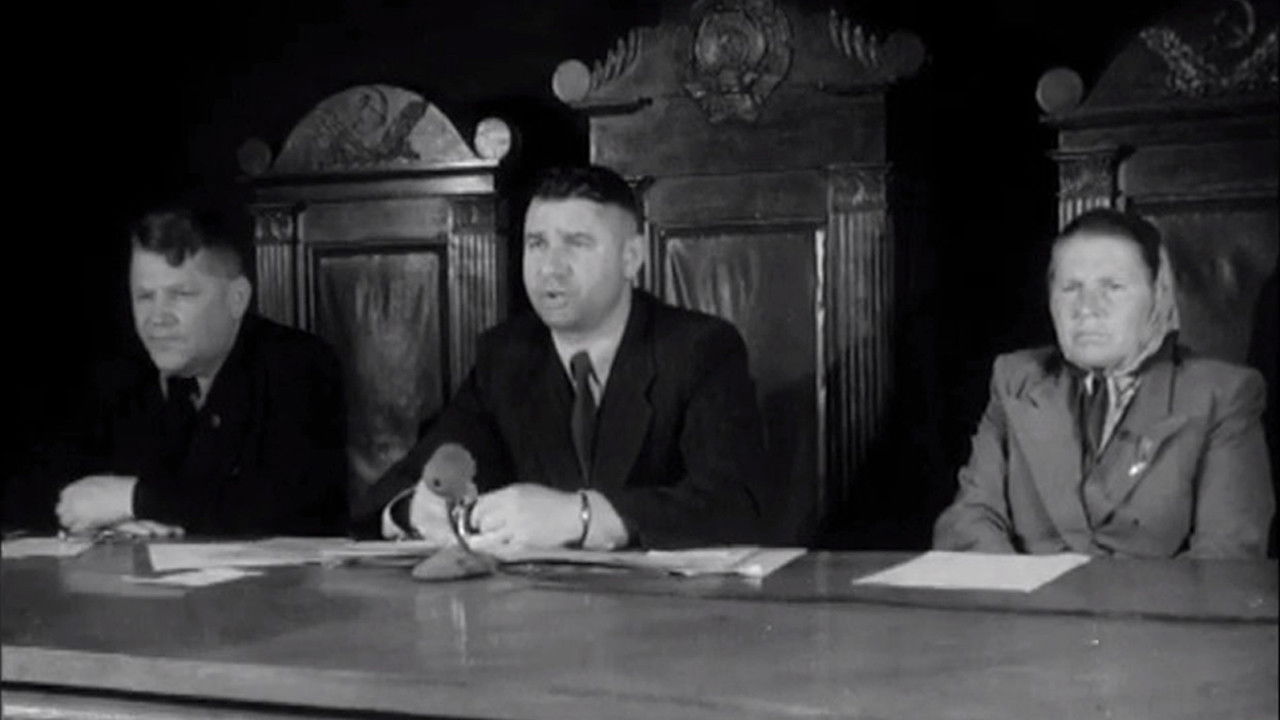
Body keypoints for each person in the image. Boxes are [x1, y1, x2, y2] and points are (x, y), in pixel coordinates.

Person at [355, 165, 769, 549]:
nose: (550, 268)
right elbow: (393, 490)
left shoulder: (699, 348)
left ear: (631, 258)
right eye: (537, 244)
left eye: (577, 243)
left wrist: (583, 517)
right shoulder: (506, 356)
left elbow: (735, 506)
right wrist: (412, 510)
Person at [934, 208, 1273, 558]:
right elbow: (968, 519)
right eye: (1071, 288)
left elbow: (1227, 554)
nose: (1087, 308)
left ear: (1156, 296)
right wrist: (1015, 587)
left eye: (1112, 287)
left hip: (1150, 596)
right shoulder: (1016, 379)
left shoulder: (1222, 394)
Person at [46, 208, 348, 537]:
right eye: (145, 297)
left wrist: (133, 499)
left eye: (181, 295)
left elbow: (279, 508)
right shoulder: (126, 376)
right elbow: (67, 493)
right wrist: (120, 518)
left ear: (237, 299)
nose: (157, 318)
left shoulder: (298, 365)